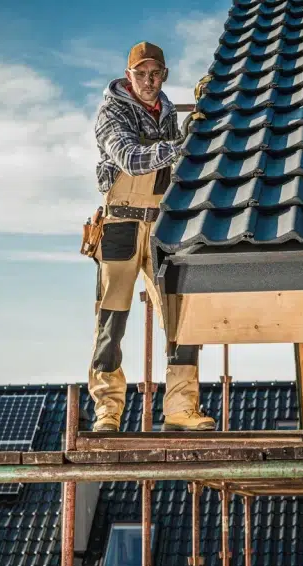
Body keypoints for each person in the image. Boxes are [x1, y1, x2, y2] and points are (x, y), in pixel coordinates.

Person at [88, 41, 215, 432]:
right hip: (121, 224)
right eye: (140, 74)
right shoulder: (111, 112)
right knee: (112, 321)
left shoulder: (169, 113)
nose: (148, 81)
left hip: (162, 224)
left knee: (181, 315)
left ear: (164, 75)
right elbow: (130, 158)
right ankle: (107, 410)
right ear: (129, 76)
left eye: (155, 74)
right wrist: (181, 144)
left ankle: (180, 408)